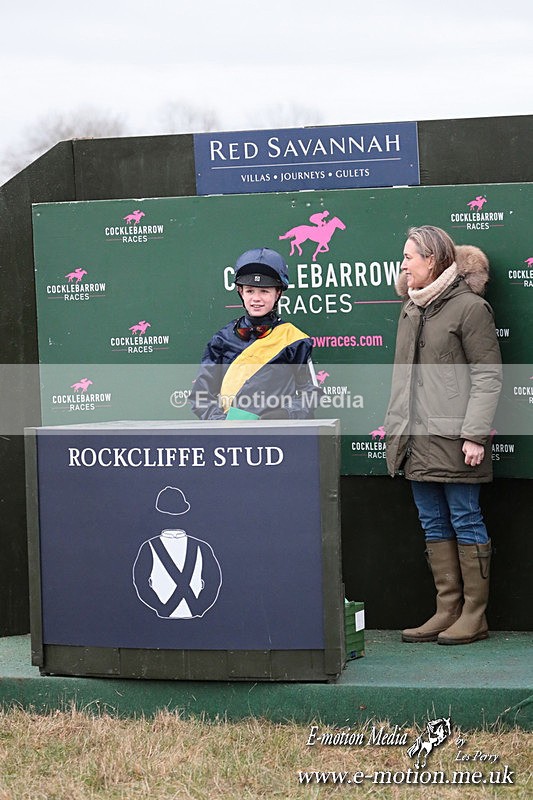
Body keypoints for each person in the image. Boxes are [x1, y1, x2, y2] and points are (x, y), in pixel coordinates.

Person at [384, 226, 502, 645]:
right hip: (416, 442)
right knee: (432, 521)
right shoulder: (410, 308)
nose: (403, 265)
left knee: (466, 519)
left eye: (408, 257)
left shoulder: (470, 308)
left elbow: (488, 377)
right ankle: (447, 609)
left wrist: (474, 435)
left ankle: (475, 615)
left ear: (431, 260)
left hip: (456, 441)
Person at [190, 247, 320, 420]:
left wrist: (285, 414)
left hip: (282, 438)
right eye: (250, 291)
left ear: (278, 293)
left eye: (264, 291)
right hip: (233, 442)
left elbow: (310, 393)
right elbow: (201, 397)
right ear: (240, 292)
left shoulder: (295, 339)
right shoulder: (221, 340)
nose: (256, 298)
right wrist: (223, 424)